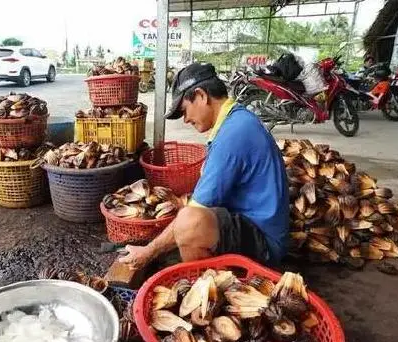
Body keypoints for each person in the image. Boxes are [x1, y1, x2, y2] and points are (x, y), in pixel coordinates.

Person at [119, 62, 289, 271]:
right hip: (253, 224)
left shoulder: (233, 134)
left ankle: (209, 288)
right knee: (185, 211)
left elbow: (195, 215)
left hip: (264, 243)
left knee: (190, 223)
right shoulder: (236, 121)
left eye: (184, 110)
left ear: (201, 96)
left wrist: (148, 252)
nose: (186, 119)